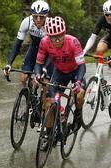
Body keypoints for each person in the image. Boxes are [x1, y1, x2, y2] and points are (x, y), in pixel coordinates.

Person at [34, 16, 86, 149]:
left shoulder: (73, 41)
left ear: (64, 33)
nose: (57, 40)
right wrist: (38, 74)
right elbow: (39, 63)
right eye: (53, 37)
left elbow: (82, 66)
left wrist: (78, 82)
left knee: (79, 94)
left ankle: (78, 116)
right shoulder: (44, 42)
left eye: (60, 36)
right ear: (48, 36)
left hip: (75, 71)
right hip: (60, 72)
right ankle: (49, 134)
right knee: (50, 102)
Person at [3, 0, 53, 86]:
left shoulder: (51, 25)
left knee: (45, 84)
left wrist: (45, 68)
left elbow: (54, 50)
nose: (38, 20)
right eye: (35, 16)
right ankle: (28, 96)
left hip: (48, 53)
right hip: (34, 48)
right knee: (23, 78)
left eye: (41, 17)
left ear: (46, 16)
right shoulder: (27, 22)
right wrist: (9, 64)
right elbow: (17, 44)